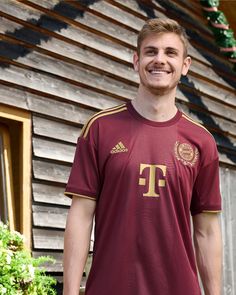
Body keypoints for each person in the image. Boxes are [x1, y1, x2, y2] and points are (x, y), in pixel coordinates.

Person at [63, 18, 222, 295]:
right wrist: (70, 292)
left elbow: (206, 231)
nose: (159, 60)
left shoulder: (202, 141)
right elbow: (80, 216)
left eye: (170, 52)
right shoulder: (100, 128)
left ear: (185, 66)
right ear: (136, 61)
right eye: (151, 51)